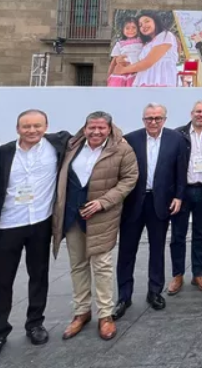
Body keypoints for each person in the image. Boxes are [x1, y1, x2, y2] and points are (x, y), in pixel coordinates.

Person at [0, 110, 70, 362]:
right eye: (26, 126)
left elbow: (95, 132)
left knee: (39, 275)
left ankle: (35, 323)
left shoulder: (57, 145)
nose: (32, 130)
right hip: (8, 224)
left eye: (37, 126)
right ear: (17, 128)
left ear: (47, 126)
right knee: (1, 280)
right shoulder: (3, 153)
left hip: (40, 223)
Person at [52, 111, 137, 341]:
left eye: (101, 128)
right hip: (71, 216)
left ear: (109, 128)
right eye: (92, 127)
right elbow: (38, 135)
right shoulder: (71, 145)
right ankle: (81, 312)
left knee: (102, 266)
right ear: (85, 127)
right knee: (78, 265)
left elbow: (129, 179)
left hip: (101, 217)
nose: (96, 131)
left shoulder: (121, 149)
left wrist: (103, 202)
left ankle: (105, 315)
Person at [116, 103, 187, 318]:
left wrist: (179, 196)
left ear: (164, 119)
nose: (153, 122)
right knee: (127, 250)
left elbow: (181, 170)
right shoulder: (130, 139)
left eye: (157, 118)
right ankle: (124, 295)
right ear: (143, 119)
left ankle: (155, 291)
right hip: (133, 202)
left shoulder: (176, 139)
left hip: (160, 202)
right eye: (149, 118)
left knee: (157, 248)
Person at [169, 101, 202, 295]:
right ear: (191, 113)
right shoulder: (177, 134)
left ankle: (198, 273)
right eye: (198, 111)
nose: (201, 115)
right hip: (182, 193)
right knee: (177, 235)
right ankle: (177, 274)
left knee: (201, 234)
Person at [114, 12, 180, 87]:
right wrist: (121, 61)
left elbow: (148, 62)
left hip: (161, 82)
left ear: (155, 21)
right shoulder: (146, 44)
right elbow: (137, 62)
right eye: (140, 25)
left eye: (147, 21)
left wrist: (123, 70)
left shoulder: (166, 35)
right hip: (143, 83)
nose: (143, 26)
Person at [108, 18, 143, 87]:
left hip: (136, 70)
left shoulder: (141, 42)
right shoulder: (120, 44)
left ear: (138, 29)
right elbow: (113, 61)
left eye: (133, 28)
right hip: (122, 71)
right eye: (127, 28)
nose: (131, 30)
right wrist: (109, 76)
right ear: (123, 30)